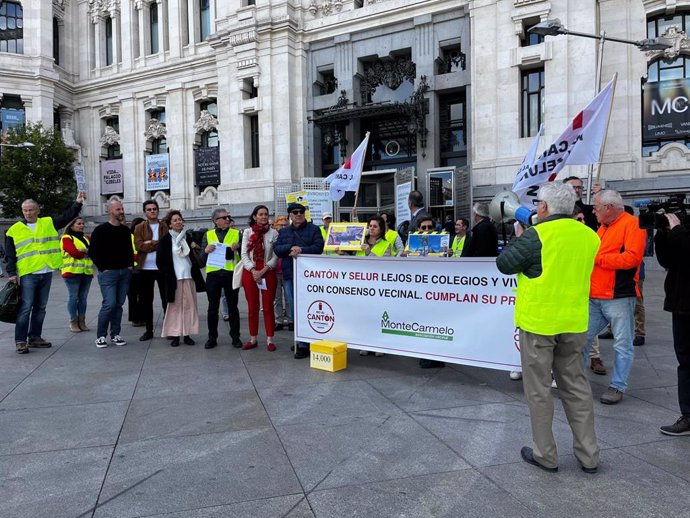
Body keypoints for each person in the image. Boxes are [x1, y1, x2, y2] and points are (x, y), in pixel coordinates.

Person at [497, 182, 601, 474]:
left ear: (543, 207)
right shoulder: (589, 235)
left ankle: (545, 454)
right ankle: (589, 455)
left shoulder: (537, 235)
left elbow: (504, 264)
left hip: (539, 323)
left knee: (539, 390)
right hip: (575, 321)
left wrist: (520, 235)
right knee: (577, 387)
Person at [583, 189, 646, 405]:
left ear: (609, 208)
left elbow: (632, 258)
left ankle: (617, 386)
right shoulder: (603, 227)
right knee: (581, 339)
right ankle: (577, 382)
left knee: (623, 344)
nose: (594, 210)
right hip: (595, 295)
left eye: (597, 206)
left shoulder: (633, 224)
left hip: (618, 295)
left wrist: (598, 259)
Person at [5, 193, 85, 354]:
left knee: (40, 307)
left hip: (46, 270)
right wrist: (12, 273)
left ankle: (35, 337)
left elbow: (66, 217)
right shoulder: (14, 230)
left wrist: (77, 203)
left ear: (37, 210)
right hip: (29, 272)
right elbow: (10, 254)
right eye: (25, 210)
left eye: (31, 210)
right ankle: (20, 341)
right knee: (26, 308)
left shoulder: (47, 222)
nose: (28, 213)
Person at [274, 202, 325, 359]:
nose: (298, 214)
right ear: (290, 215)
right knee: (295, 309)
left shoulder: (314, 229)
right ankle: (301, 342)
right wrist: (291, 247)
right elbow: (277, 249)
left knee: (311, 309)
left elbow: (319, 248)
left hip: (311, 277)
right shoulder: (284, 232)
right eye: (295, 212)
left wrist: (301, 250)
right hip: (291, 275)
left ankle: (308, 342)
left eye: (301, 211)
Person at [655, 213, 690, 435]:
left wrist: (677, 230)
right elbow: (667, 260)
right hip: (681, 304)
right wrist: (662, 234)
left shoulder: (682, 231)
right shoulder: (681, 229)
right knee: (685, 361)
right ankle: (687, 415)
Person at [89, 199, 134, 348]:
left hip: (124, 272)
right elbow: (93, 251)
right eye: (118, 210)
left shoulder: (125, 230)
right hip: (108, 274)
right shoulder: (100, 230)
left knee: (119, 304)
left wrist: (129, 266)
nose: (121, 212)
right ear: (110, 211)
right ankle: (101, 336)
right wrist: (103, 267)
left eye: (122, 209)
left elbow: (129, 249)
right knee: (109, 304)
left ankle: (115, 334)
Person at [156, 210, 205, 347]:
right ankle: (175, 335)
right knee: (175, 308)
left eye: (180, 219)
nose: (178, 222)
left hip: (189, 277)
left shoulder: (188, 238)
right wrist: (167, 274)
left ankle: (187, 334)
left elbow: (198, 255)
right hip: (174, 279)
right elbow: (160, 261)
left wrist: (195, 247)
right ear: (170, 224)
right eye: (175, 220)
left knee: (189, 307)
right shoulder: (165, 240)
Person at [199, 207, 243, 349]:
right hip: (213, 274)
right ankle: (212, 337)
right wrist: (206, 251)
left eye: (228, 217)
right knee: (212, 307)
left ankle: (235, 337)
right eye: (224, 218)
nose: (227, 220)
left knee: (233, 307)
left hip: (230, 274)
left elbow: (245, 255)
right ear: (215, 221)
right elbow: (201, 258)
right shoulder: (208, 234)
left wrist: (239, 247)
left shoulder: (237, 233)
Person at [240, 205, 279, 351]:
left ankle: (270, 339)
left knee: (268, 306)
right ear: (255, 216)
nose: (263, 216)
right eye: (260, 214)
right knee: (253, 306)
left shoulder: (274, 233)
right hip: (250, 271)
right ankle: (253, 338)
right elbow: (244, 254)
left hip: (267, 271)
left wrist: (263, 270)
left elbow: (276, 255)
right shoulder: (247, 233)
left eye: (265, 214)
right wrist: (253, 270)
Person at [134, 200, 169, 342]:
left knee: (166, 299)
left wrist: (150, 243)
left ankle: (169, 330)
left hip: (162, 268)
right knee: (146, 301)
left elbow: (166, 245)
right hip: (145, 268)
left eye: (154, 209)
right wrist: (156, 243)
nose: (152, 211)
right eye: (149, 209)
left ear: (158, 211)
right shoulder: (139, 227)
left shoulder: (165, 226)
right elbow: (139, 246)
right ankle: (148, 330)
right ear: (145, 212)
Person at [356, 215, 391, 357]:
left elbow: (385, 265)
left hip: (378, 286)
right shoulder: (359, 242)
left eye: (375, 226)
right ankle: (365, 343)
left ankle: (379, 345)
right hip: (361, 285)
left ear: (381, 229)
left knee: (378, 316)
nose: (371, 228)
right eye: (370, 225)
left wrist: (368, 252)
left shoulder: (386, 245)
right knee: (364, 316)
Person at [60, 216, 94, 333]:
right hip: (71, 272)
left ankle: (82, 321)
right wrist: (85, 252)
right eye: (79, 223)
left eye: (82, 224)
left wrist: (86, 251)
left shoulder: (87, 238)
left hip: (86, 273)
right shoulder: (66, 238)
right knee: (73, 298)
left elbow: (95, 251)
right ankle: (73, 322)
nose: (81, 225)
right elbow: (75, 253)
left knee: (83, 299)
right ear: (72, 225)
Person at [272, 216, 291, 331]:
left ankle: (290, 320)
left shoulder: (289, 236)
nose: (283, 227)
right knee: (277, 299)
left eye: (285, 225)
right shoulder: (273, 236)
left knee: (289, 298)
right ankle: (278, 321)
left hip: (286, 271)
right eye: (280, 225)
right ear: (275, 226)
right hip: (274, 271)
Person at [127, 217, 145, 327]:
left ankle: (142, 317)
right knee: (133, 296)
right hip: (132, 271)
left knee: (143, 295)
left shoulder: (143, 237)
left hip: (143, 269)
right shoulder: (129, 237)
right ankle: (135, 318)